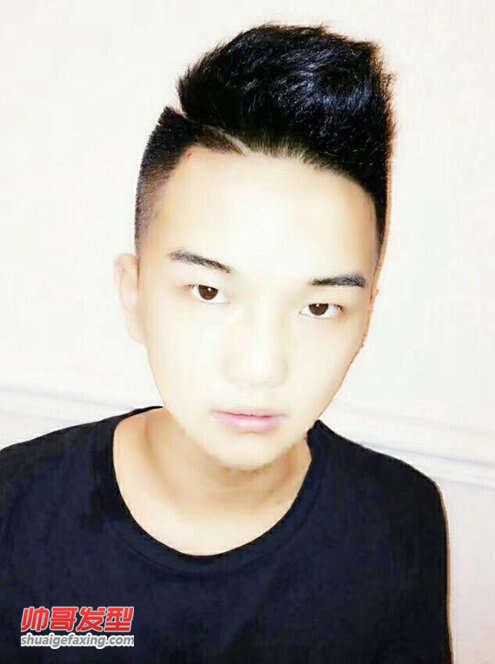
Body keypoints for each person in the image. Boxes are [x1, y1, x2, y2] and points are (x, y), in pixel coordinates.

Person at [0, 22, 452, 663]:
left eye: (319, 307)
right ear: (134, 294)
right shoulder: (13, 510)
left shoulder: (400, 520)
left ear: (366, 317)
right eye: (209, 292)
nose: (260, 366)